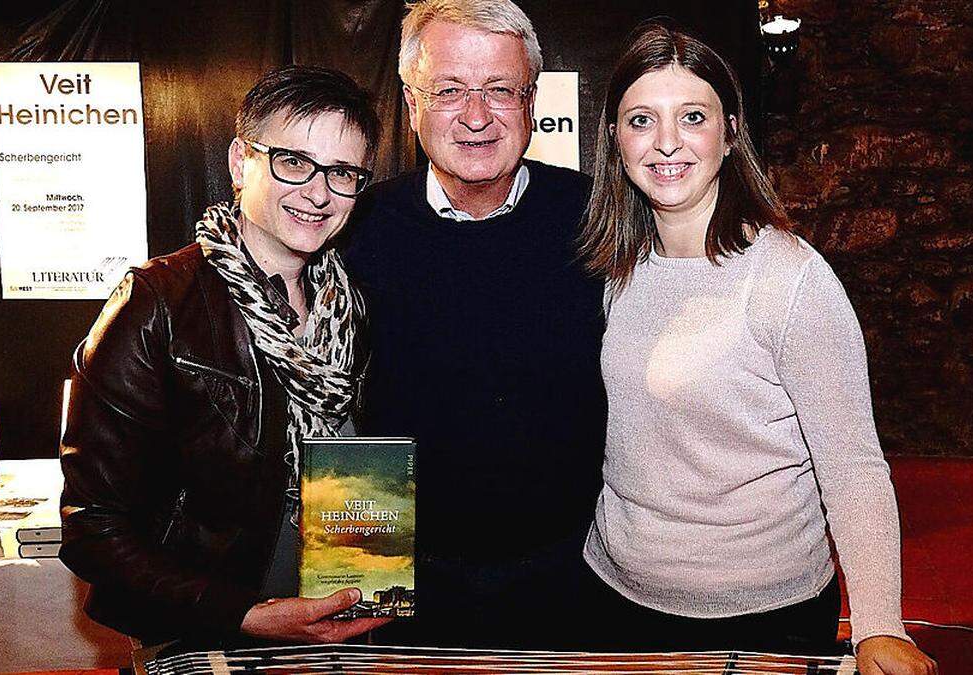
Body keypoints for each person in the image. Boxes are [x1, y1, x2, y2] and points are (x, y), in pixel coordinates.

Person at [576, 21, 938, 674]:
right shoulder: (618, 267)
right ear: (612, 137)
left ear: (732, 131)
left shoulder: (789, 278)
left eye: (692, 116)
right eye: (640, 119)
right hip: (616, 599)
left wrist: (880, 624)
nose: (665, 142)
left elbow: (853, 465)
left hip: (763, 616)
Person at [59, 65, 392, 646]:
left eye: (342, 173)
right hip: (208, 629)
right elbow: (94, 531)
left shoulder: (354, 304)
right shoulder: (157, 303)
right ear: (241, 162)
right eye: (294, 162)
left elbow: (366, 468)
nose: (318, 193)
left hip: (336, 624)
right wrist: (246, 615)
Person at [343, 0, 607, 649]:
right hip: (397, 582)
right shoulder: (354, 230)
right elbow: (340, 409)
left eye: (499, 90)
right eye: (450, 90)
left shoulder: (599, 223)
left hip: (576, 579)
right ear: (411, 103)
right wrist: (353, 588)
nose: (477, 116)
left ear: (532, 100)